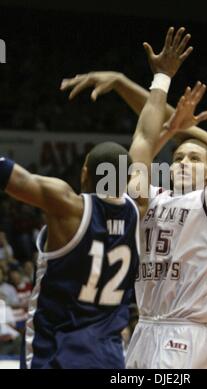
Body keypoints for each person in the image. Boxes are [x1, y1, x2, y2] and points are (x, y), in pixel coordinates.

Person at [62, 52, 207, 367]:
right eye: (178, 157)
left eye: (194, 159)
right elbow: (142, 139)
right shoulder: (146, 196)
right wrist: (161, 79)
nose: (183, 163)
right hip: (144, 330)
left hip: (185, 333)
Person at [1, 27, 193, 369]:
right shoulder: (139, 204)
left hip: (55, 353)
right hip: (107, 355)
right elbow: (146, 135)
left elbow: (13, 176)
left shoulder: (67, 204)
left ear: (85, 174)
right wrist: (162, 76)